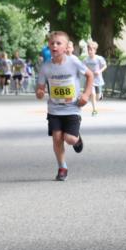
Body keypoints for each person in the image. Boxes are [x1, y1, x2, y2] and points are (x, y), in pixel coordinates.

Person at [36, 31, 93, 181]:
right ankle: (62, 167)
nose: (54, 45)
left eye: (58, 43)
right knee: (57, 138)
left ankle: (77, 139)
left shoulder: (73, 62)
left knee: (69, 139)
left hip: (72, 107)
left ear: (66, 46)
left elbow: (90, 75)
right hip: (54, 109)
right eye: (52, 43)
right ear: (49, 46)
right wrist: (40, 92)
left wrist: (86, 95)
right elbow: (40, 87)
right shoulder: (45, 67)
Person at [81, 41, 107, 115]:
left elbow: (105, 66)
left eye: (91, 50)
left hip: (98, 79)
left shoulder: (99, 58)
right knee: (92, 94)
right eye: (89, 50)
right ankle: (94, 110)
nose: (90, 51)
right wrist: (85, 73)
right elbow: (83, 68)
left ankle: (100, 95)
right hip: (90, 79)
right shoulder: (86, 60)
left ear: (95, 50)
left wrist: (99, 71)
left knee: (98, 97)